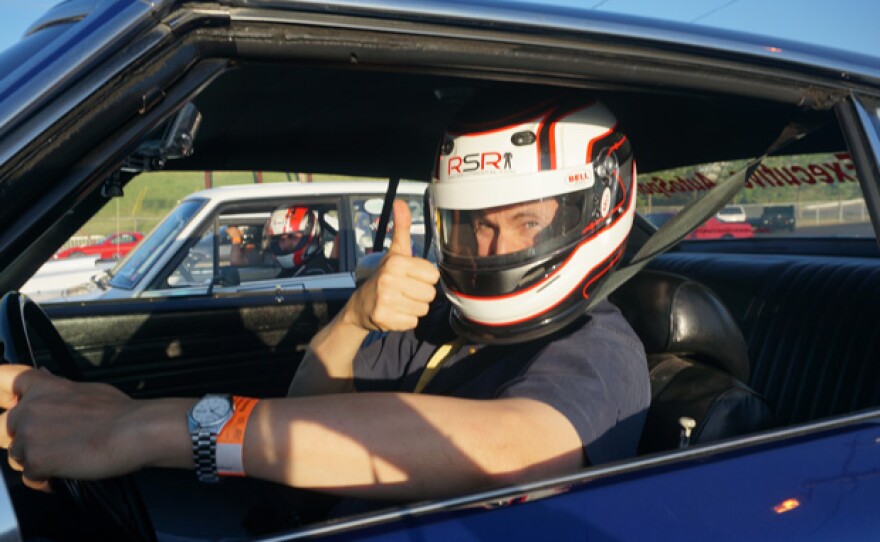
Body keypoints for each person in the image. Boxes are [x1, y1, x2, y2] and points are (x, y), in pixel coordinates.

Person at [0, 94, 649, 505]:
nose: (491, 243)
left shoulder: (598, 347)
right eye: (474, 222)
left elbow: (513, 450)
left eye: (526, 221)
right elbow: (310, 406)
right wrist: (356, 317)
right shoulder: (441, 323)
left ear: (596, 210)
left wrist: (144, 426)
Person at [228, 206, 336, 276]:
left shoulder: (317, 272)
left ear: (311, 235)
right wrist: (236, 240)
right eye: (281, 239)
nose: (286, 244)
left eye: (293, 237)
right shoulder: (291, 267)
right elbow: (237, 261)